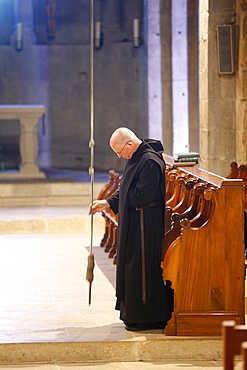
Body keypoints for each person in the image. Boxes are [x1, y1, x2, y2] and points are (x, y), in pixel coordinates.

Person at [89, 127, 173, 331]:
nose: (119, 156)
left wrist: (120, 198)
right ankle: (134, 315)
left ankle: (147, 317)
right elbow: (126, 188)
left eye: (119, 152)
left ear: (129, 144)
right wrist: (107, 203)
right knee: (131, 267)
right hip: (134, 221)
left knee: (141, 270)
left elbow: (144, 195)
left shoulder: (150, 162)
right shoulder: (136, 158)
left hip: (145, 224)